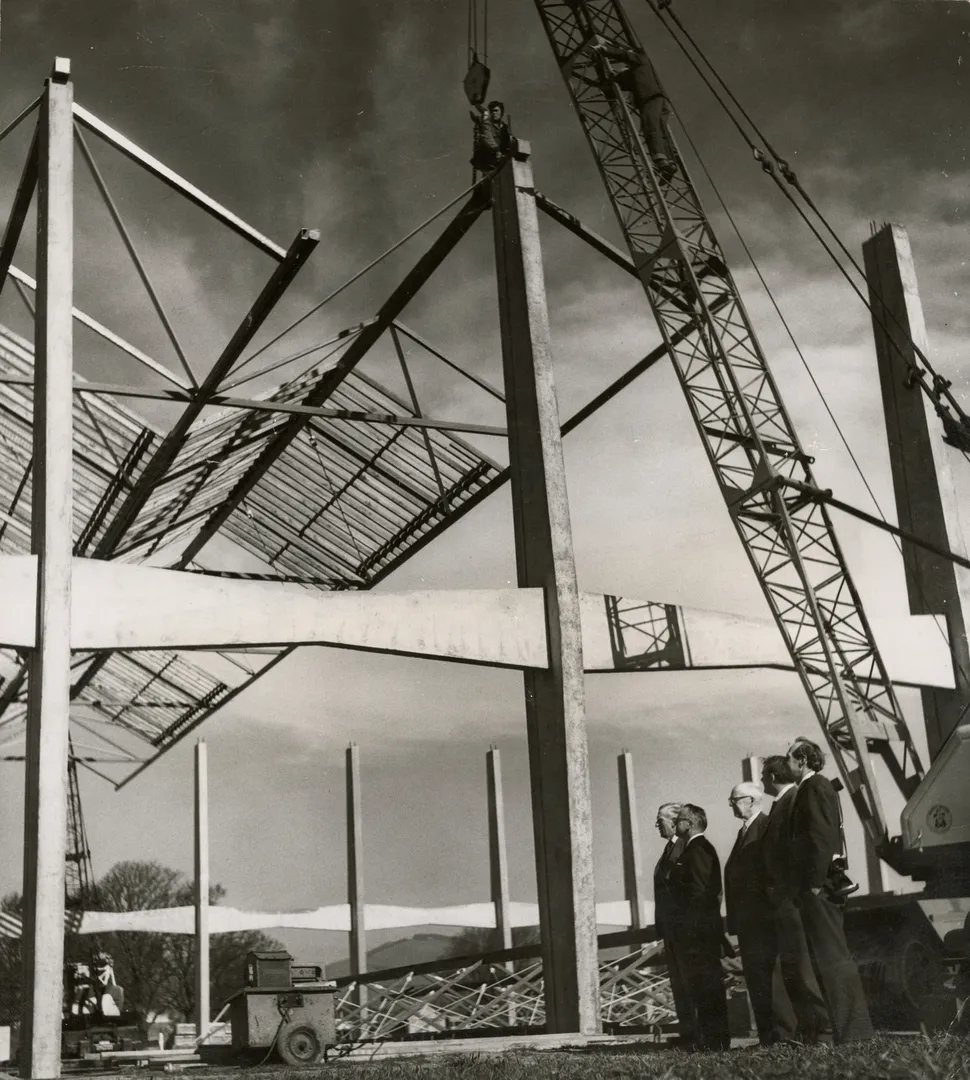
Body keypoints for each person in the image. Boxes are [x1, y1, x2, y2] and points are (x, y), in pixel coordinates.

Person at [786, 738, 874, 1044]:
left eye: (790, 758)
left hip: (820, 887)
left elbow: (822, 836)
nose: (787, 764)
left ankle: (855, 1034)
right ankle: (848, 1033)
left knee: (834, 958)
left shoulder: (815, 787)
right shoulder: (811, 788)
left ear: (803, 761)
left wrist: (813, 881)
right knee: (829, 959)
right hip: (817, 886)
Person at [761, 754, 831, 1045]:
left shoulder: (791, 802)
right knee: (793, 966)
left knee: (802, 966)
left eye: (765, 775)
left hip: (789, 897)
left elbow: (799, 849)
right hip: (782, 898)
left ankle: (822, 1032)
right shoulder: (784, 803)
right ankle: (809, 1032)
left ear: (774, 777)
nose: (763, 780)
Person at [724, 780, 795, 1045]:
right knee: (757, 979)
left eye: (735, 799)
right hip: (749, 921)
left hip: (763, 919)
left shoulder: (765, 827)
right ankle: (769, 1036)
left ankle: (784, 1035)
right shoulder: (747, 830)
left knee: (771, 978)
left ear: (751, 801)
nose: (731, 805)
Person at [668, 803, 730, 1050]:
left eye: (680, 819)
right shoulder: (695, 849)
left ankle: (715, 1041)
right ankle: (711, 1040)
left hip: (698, 932)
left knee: (707, 987)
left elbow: (701, 893)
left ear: (690, 823)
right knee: (703, 987)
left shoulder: (699, 849)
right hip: (698, 931)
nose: (677, 824)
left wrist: (690, 928)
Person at [592, 42, 675, 180]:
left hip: (650, 98)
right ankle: (669, 162)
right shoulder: (638, 72)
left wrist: (604, 50)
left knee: (650, 127)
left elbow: (625, 56)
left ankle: (661, 160)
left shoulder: (640, 59)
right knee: (661, 130)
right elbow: (620, 81)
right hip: (658, 100)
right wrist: (610, 78)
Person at [652, 801, 696, 1047]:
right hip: (671, 928)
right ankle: (688, 1032)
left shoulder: (685, 847)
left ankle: (695, 1033)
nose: (657, 826)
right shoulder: (671, 849)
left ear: (674, 821)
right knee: (679, 982)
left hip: (683, 928)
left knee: (688, 980)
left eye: (660, 821)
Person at [469, 99, 512, 175]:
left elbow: (509, 142)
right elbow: (488, 137)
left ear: (501, 112)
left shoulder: (504, 127)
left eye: (496, 111)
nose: (493, 113)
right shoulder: (487, 123)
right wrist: (496, 150)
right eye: (492, 111)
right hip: (488, 156)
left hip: (500, 158)